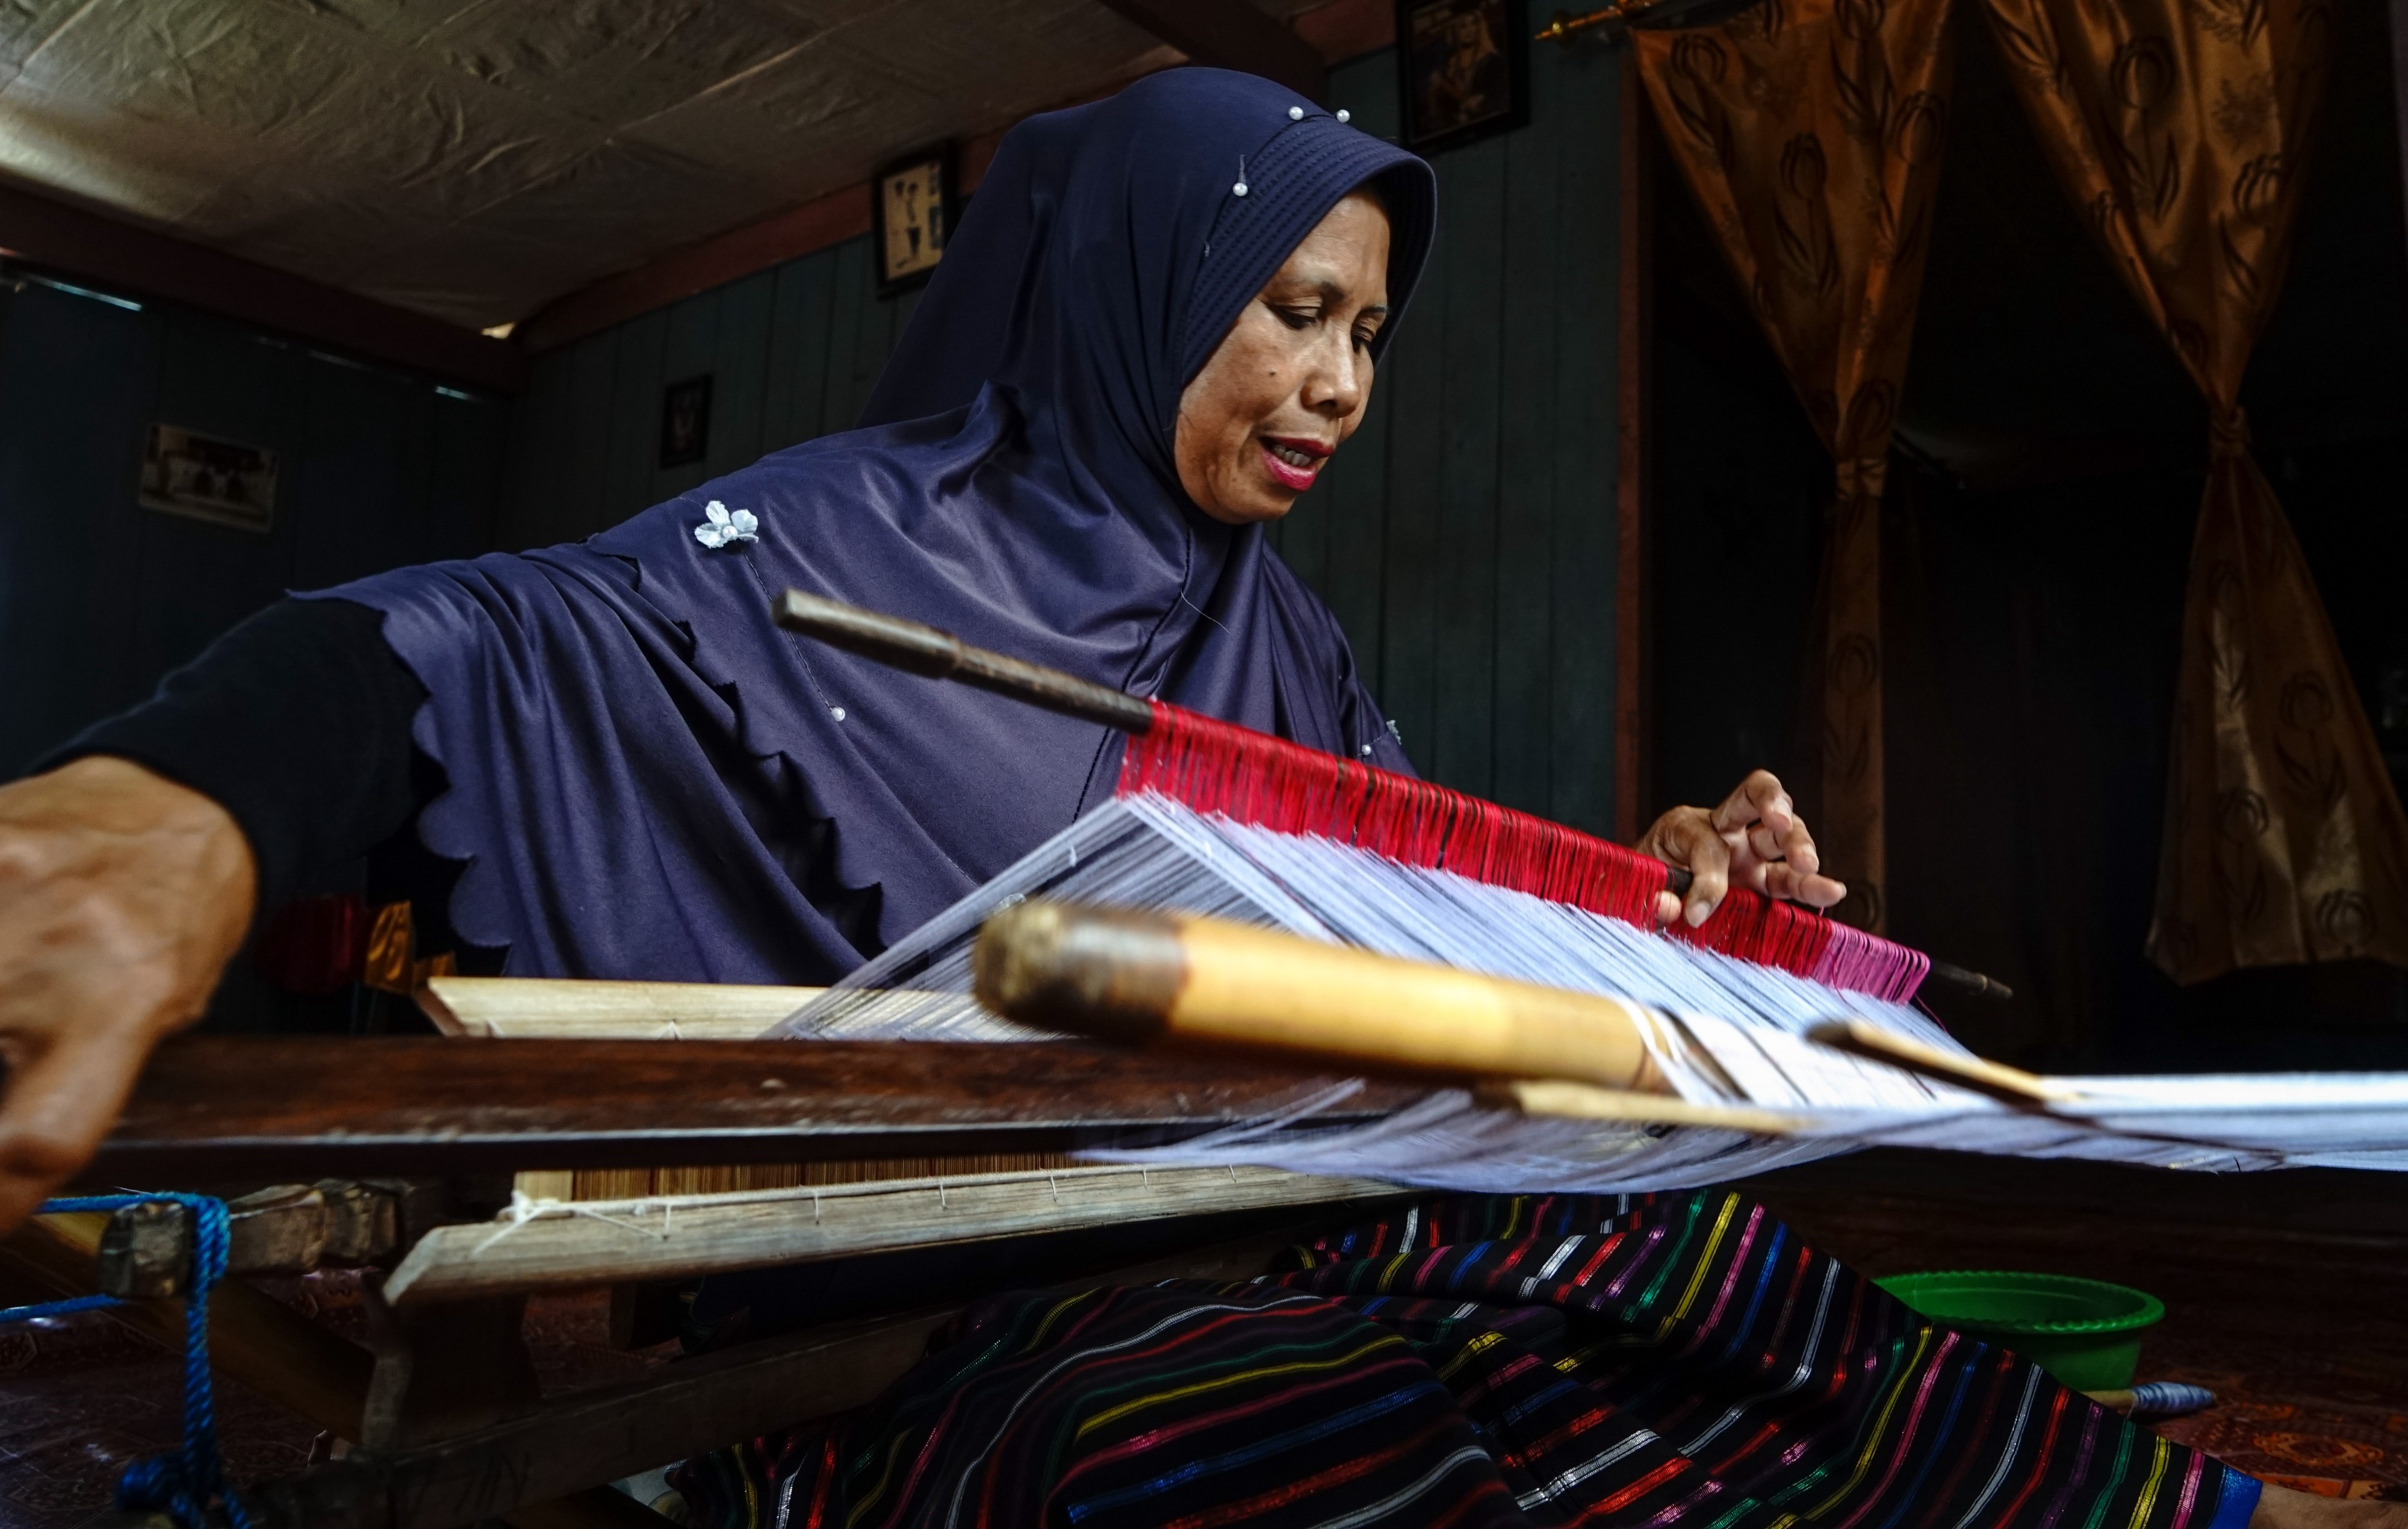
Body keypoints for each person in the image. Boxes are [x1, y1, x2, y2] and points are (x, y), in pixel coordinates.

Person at [0, 67, 2368, 1529]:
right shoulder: (812, 557)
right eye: (1290, 309)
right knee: (1182, 1439)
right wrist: (165, 811)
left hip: (1287, 1211)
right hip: (952, 1314)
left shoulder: (1276, 637)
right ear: (1131, 287)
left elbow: (1402, 925)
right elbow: (434, 646)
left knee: (1700, 1274)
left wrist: (1649, 895)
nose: (1337, 383)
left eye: (1366, 331)